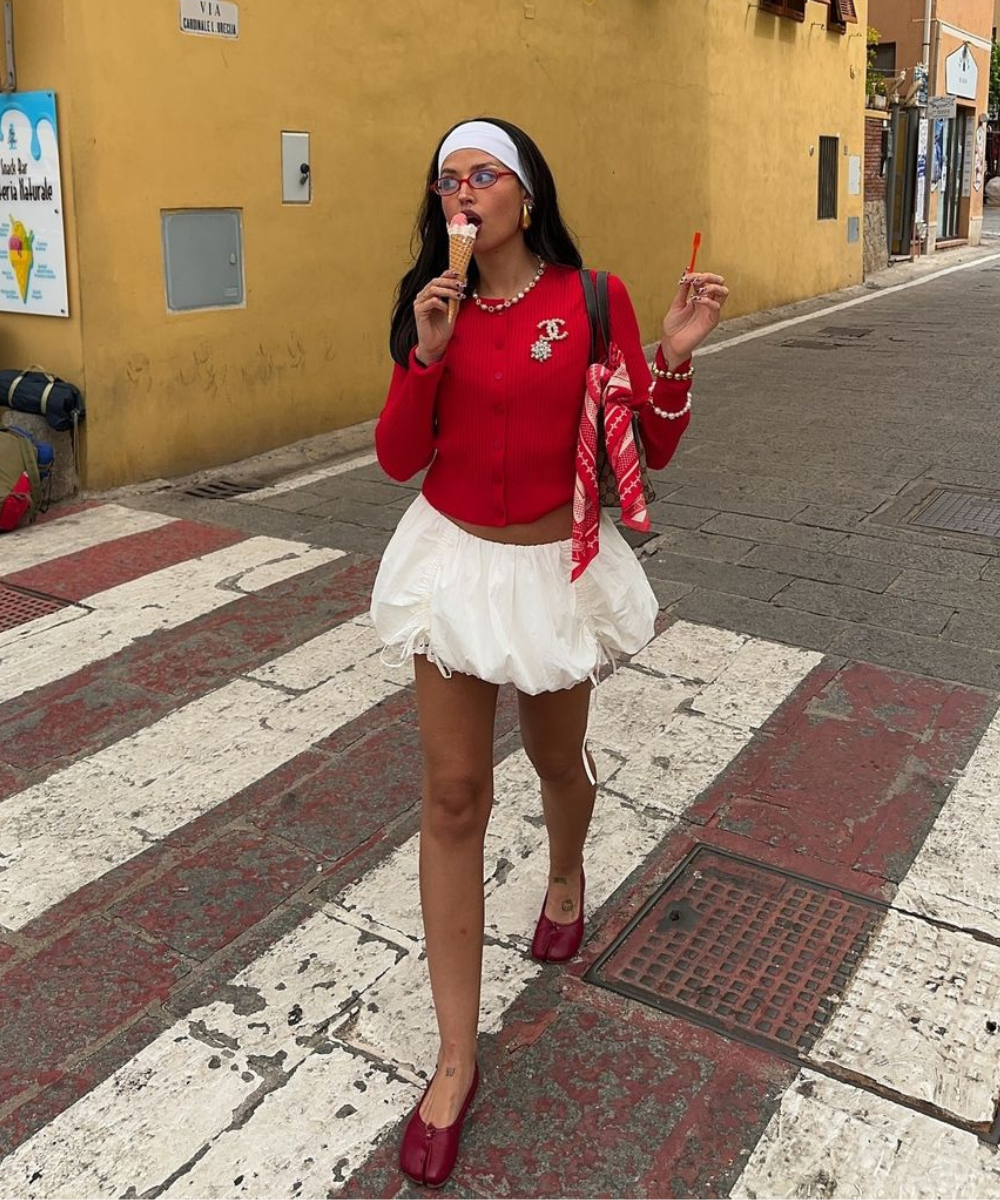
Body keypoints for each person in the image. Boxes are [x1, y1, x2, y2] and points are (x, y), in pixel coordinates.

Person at [370, 117, 728, 1188]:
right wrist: (421, 359)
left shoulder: (588, 298)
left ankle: (565, 874)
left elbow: (646, 442)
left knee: (556, 764)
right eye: (448, 179)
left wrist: (667, 355)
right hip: (449, 562)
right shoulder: (427, 304)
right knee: (452, 796)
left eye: (484, 174)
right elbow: (396, 458)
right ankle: (453, 1058)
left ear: (525, 194)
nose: (464, 192)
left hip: (553, 569)